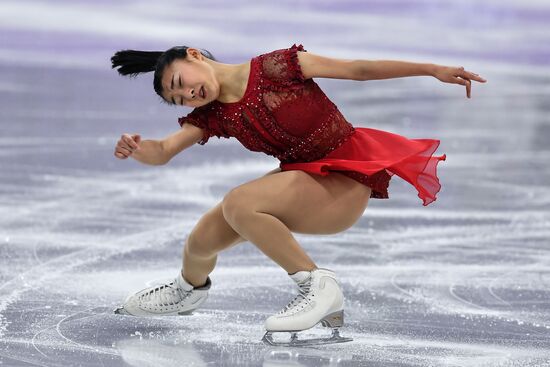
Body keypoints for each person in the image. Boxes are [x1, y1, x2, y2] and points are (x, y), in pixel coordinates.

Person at [110, 43, 486, 345]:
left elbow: (360, 69)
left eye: (181, 83)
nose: (189, 94)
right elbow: (164, 150)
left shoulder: (278, 67)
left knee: (240, 203)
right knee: (201, 240)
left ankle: (317, 287)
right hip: (302, 180)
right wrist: (138, 150)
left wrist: (432, 69)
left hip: (343, 178)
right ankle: (187, 291)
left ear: (194, 54)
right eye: (180, 100)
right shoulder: (213, 116)